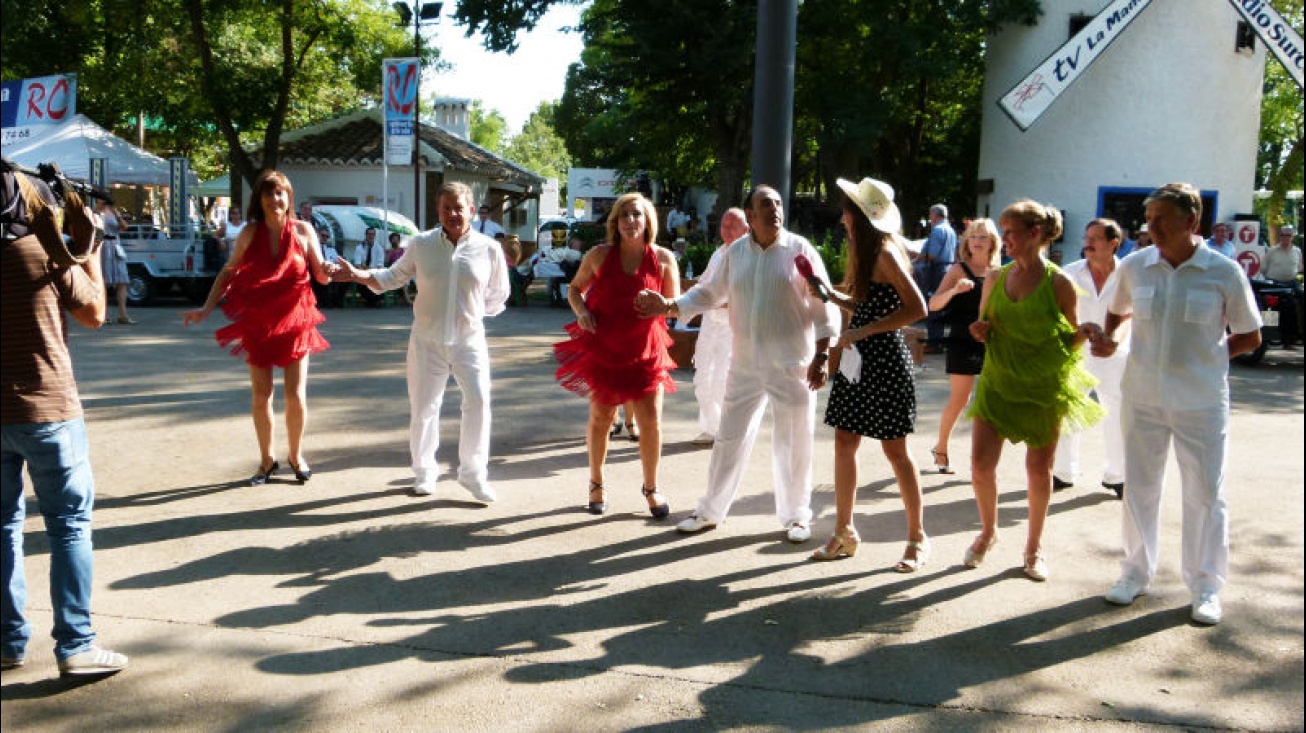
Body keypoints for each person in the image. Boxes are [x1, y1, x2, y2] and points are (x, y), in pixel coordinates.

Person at [1091, 182, 1261, 625]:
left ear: (1191, 221)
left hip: (1201, 401)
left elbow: (1250, 334)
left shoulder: (1222, 271)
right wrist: (1110, 339)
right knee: (1139, 490)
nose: (1151, 229)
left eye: (1160, 221)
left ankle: (1205, 586)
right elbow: (1117, 310)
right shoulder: (1135, 266)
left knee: (1204, 493)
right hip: (1143, 397)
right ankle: (1134, 573)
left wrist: (1211, 356)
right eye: (1148, 221)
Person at [636, 185, 838, 543]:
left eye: (778, 203)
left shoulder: (799, 250)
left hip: (792, 363)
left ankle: (797, 517)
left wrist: (822, 354)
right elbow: (710, 293)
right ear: (751, 214)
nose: (775, 209)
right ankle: (710, 511)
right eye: (765, 204)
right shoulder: (736, 252)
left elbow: (823, 305)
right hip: (744, 364)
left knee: (794, 442)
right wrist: (669, 306)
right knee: (728, 437)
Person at [2, 160, 129, 676]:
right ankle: (76, 645)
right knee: (69, 528)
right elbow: (95, 312)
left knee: (3, 528)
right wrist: (91, 247)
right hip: (49, 409)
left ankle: (8, 641)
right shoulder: (47, 249)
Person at [335, 183, 508, 501]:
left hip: (469, 340)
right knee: (425, 408)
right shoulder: (421, 244)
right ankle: (425, 472)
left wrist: (469, 313)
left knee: (479, 402)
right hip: (426, 341)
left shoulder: (489, 249)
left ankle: (473, 474)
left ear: (471, 209)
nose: (453, 214)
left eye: (459, 207)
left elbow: (498, 296)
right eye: (446, 208)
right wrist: (357, 276)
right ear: (438, 211)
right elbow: (392, 277)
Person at [963, 200, 1104, 582]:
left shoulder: (1059, 283)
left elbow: (1069, 340)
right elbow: (985, 324)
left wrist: (1084, 333)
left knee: (1038, 471)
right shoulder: (994, 278)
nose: (1003, 239)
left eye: (1010, 232)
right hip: (998, 382)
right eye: (1003, 231)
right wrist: (982, 330)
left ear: (1035, 233)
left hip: (1043, 386)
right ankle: (988, 532)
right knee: (979, 466)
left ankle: (1033, 548)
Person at [182, 170, 335, 485]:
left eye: (280, 193)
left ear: (289, 197)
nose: (275, 199)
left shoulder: (305, 231)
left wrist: (330, 271)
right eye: (269, 193)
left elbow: (321, 276)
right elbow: (227, 274)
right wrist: (206, 308)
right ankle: (266, 461)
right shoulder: (249, 233)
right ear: (260, 200)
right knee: (261, 394)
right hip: (258, 322)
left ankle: (296, 456)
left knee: (295, 395)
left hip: (296, 320)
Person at [807, 178, 929, 569]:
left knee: (896, 451)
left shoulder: (885, 254)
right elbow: (864, 300)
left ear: (860, 216)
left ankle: (917, 538)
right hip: (859, 357)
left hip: (885, 360)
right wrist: (829, 293)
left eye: (846, 210)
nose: (842, 217)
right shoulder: (862, 249)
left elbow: (918, 308)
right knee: (845, 442)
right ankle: (844, 532)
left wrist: (863, 330)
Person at [554, 192, 679, 518]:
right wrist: (581, 312)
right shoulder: (598, 255)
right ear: (615, 223)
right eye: (624, 215)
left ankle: (651, 489)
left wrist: (662, 305)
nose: (630, 221)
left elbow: (677, 305)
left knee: (651, 422)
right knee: (602, 419)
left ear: (648, 220)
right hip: (605, 348)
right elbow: (574, 289)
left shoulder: (664, 258)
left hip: (646, 351)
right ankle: (596, 484)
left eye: (636, 215)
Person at [1052, 219, 1130, 498]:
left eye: (1095, 238)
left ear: (1113, 244)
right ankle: (1062, 472)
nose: (1088, 242)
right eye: (1087, 236)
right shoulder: (1070, 273)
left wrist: (1114, 340)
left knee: (1117, 413)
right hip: (1076, 352)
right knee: (1068, 410)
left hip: (1115, 354)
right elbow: (1057, 312)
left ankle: (1117, 476)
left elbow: (1132, 314)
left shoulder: (1127, 274)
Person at [922, 218, 1001, 475]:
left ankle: (982, 461)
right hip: (961, 339)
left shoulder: (999, 271)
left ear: (993, 243)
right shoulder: (958, 269)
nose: (977, 242)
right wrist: (955, 290)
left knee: (990, 401)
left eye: (983, 237)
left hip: (992, 340)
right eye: (973, 237)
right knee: (960, 398)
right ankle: (941, 447)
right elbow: (933, 305)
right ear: (966, 241)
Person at [690, 207, 748, 446]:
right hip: (709, 322)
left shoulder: (747, 254)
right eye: (725, 224)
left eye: (734, 225)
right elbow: (704, 282)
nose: (728, 229)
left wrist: (715, 301)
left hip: (731, 327)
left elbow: (743, 296)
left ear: (746, 228)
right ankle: (710, 428)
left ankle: (725, 431)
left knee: (721, 381)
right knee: (701, 376)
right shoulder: (718, 252)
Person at [917, 204, 957, 350]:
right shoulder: (951, 231)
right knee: (943, 305)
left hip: (936, 271)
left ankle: (934, 342)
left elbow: (932, 255)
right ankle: (939, 341)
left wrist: (917, 257)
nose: (929, 218)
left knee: (934, 304)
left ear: (936, 215)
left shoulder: (938, 230)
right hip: (947, 269)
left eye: (930, 214)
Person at [1261, 224, 1303, 347]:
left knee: (1297, 304)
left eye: (1288, 235)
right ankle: (1267, 338)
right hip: (1274, 283)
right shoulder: (1272, 251)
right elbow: (1263, 268)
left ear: (1292, 237)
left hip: (1292, 282)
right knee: (1270, 308)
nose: (1285, 238)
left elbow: (1300, 267)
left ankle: (1293, 337)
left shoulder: (1297, 251)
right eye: (1283, 235)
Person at [98, 200, 134, 324]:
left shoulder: (114, 212)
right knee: (103, 282)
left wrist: (117, 214)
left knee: (122, 280)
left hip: (116, 245)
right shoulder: (96, 212)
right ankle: (103, 315)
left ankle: (122, 315)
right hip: (103, 246)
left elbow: (125, 227)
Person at [351, 228, 385, 307]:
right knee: (361, 284)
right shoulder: (359, 248)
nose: (371, 236)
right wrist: (366, 270)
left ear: (375, 235)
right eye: (369, 234)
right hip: (363, 273)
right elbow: (358, 265)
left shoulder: (379, 249)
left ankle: (373, 301)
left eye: (373, 234)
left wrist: (369, 269)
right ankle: (374, 301)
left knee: (378, 281)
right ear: (366, 235)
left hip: (375, 273)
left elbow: (379, 266)